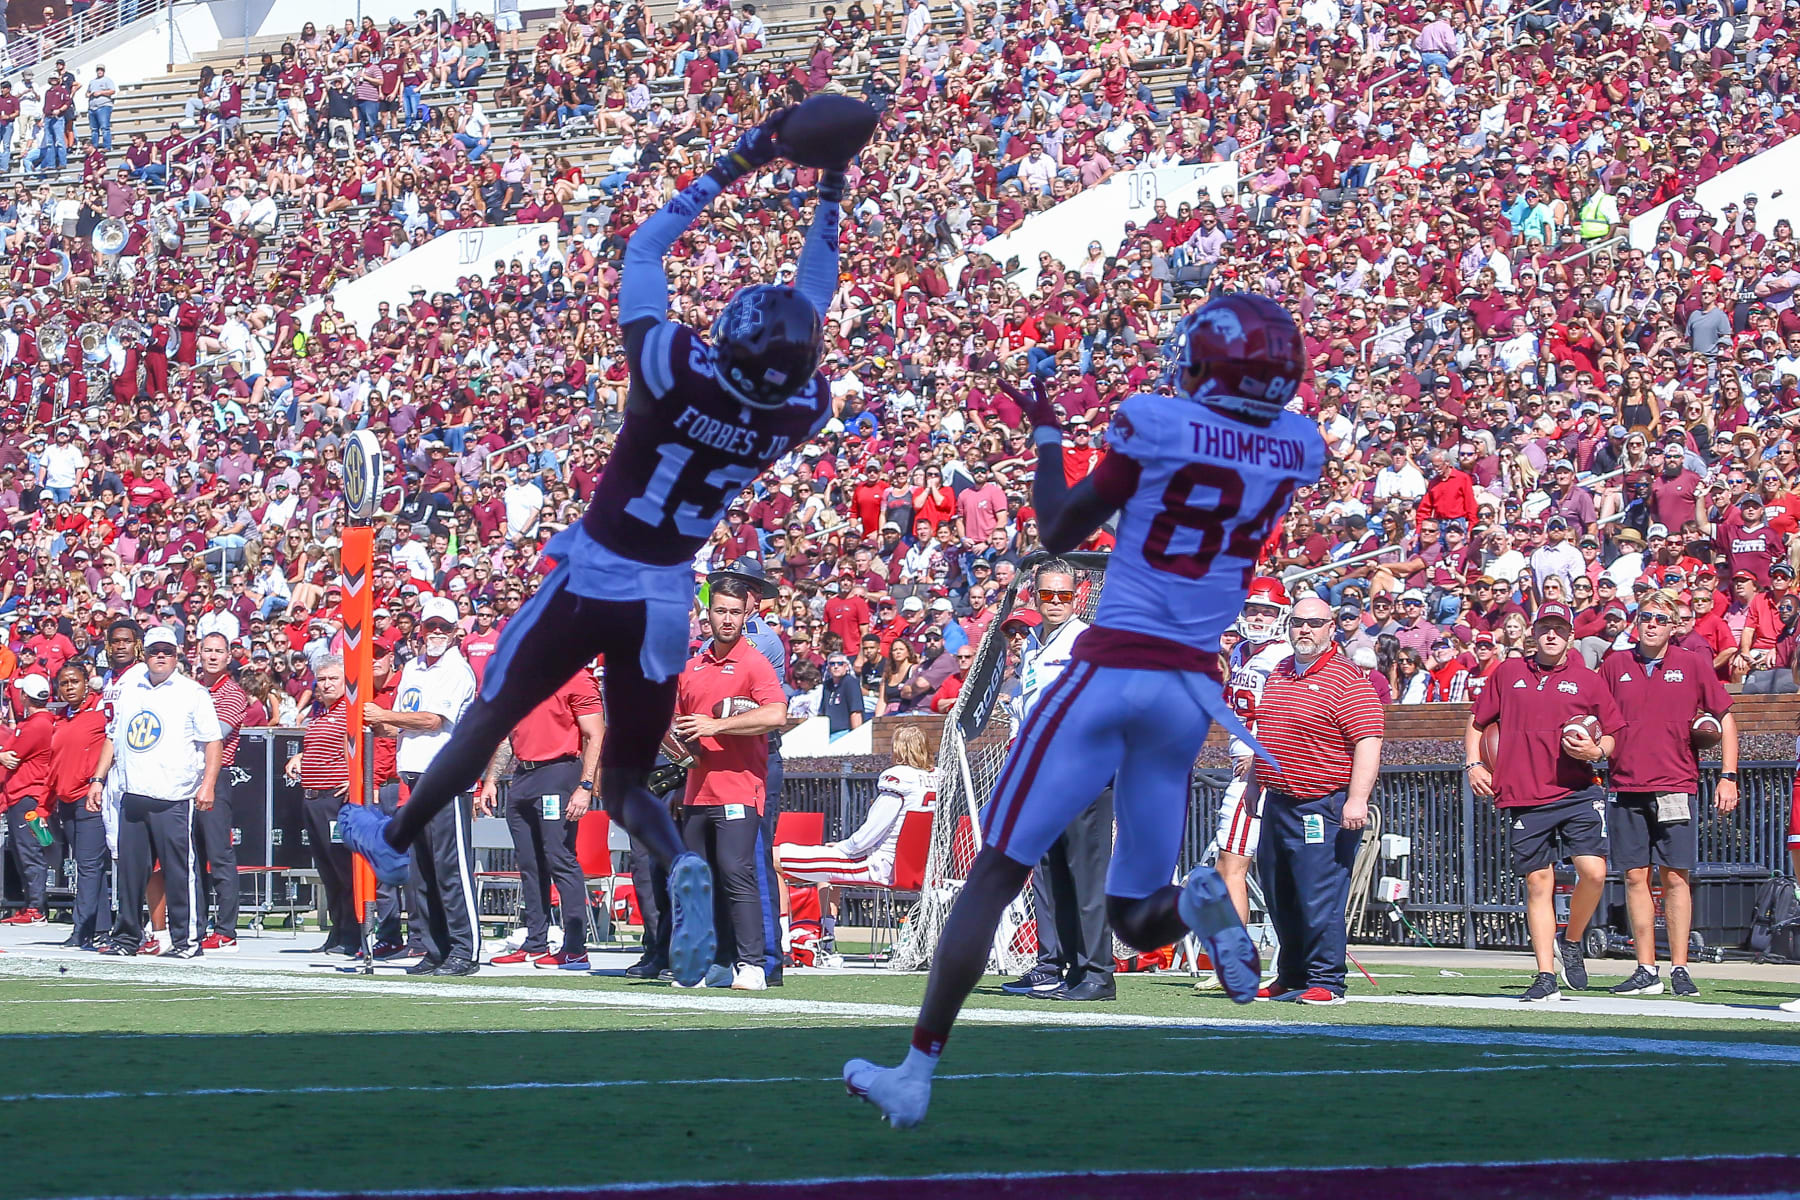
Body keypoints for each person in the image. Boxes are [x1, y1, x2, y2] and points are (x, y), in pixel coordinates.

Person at [339, 107, 844, 990]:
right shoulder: (799, 414)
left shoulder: (671, 368)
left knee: (489, 713)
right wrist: (831, 190)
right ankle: (673, 862)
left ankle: (396, 832)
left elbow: (645, 250)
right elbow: (815, 304)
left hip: (596, 573)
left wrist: (741, 158)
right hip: (665, 599)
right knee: (626, 784)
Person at [844, 294, 1324, 1127]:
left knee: (994, 870)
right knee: (1138, 919)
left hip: (1111, 671)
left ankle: (916, 1069)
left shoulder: (1160, 424)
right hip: (1188, 693)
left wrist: (1046, 433)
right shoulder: (1296, 447)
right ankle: (1200, 901)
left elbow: (1061, 523)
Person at [1465, 601, 1623, 1002]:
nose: (1551, 634)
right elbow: (1478, 722)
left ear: (1571, 635)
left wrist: (1595, 752)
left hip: (1577, 790)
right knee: (1539, 883)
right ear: (1533, 633)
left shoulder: (1588, 680)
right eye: (1545, 627)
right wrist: (1473, 765)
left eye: (1559, 628)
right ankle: (1544, 975)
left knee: (1594, 872)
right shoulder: (1509, 672)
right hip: (1524, 792)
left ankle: (1570, 940)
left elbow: (1613, 734)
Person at [1599, 589, 1737, 997]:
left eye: (1661, 618)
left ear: (1674, 625)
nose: (1652, 624)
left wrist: (1728, 775)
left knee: (1676, 877)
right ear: (1635, 623)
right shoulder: (1615, 664)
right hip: (1625, 785)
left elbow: (1726, 719)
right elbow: (1594, 719)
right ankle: (1646, 969)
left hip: (1676, 784)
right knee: (1635, 877)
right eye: (1645, 617)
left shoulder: (1693, 664)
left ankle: (1679, 967)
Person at [1248, 595, 1384, 1005]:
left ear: (1331, 629)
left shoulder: (1347, 678)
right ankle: (1291, 975)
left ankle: (1328, 978)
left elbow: (1369, 740)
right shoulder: (1281, 671)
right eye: (1297, 622)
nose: (1304, 630)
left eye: (1314, 623)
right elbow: (1267, 729)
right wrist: (1256, 780)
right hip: (1280, 799)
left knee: (1318, 892)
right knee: (1280, 891)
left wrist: (1357, 800)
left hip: (1321, 802)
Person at [996, 558, 1115, 1003]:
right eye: (1048, 595)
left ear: (1078, 597)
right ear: (1035, 596)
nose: (1056, 603)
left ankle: (1097, 973)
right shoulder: (1035, 644)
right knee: (1052, 874)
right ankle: (1062, 966)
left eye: (1064, 595)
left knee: (1086, 876)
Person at [671, 576, 789, 990]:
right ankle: (714, 962)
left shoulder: (754, 662)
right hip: (696, 789)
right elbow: (679, 726)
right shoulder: (692, 667)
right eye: (720, 610)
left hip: (740, 787)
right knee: (699, 881)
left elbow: (777, 715)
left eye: (734, 612)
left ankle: (752, 964)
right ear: (708, 614)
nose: (727, 619)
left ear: (746, 614)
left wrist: (717, 726)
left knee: (737, 873)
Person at [88, 627, 222, 958]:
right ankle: (127, 938)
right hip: (132, 794)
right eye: (153, 651)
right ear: (143, 653)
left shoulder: (193, 692)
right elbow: (112, 737)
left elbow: (213, 741)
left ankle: (186, 940)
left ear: (177, 655)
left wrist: (208, 783)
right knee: (131, 874)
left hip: (173, 796)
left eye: (167, 651)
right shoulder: (130, 689)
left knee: (179, 872)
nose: (160, 656)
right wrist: (98, 779)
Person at [365, 596, 480, 975]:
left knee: (451, 869)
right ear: (420, 628)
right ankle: (435, 947)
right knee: (423, 873)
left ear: (455, 633)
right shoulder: (413, 669)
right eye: (430, 625)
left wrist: (386, 715)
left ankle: (464, 949)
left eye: (443, 627)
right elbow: (401, 722)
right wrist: (379, 723)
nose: (435, 633)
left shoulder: (456, 670)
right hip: (413, 777)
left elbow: (432, 721)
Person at [1195, 576, 1293, 993]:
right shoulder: (1240, 651)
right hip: (1251, 767)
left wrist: (1260, 753)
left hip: (1262, 773)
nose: (1259, 617)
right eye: (1254, 610)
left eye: (1267, 611)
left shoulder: (1283, 657)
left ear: (1281, 616)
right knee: (1241, 867)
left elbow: (1288, 710)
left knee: (1232, 866)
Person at [481, 664, 604, 970]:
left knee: (559, 857)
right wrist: (491, 780)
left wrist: (585, 786)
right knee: (529, 863)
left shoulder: (576, 677)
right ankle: (535, 941)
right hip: (524, 775)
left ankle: (575, 947)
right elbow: (510, 735)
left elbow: (595, 733)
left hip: (558, 772)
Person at [774, 724, 934, 955]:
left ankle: (781, 944)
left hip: (878, 865)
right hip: (918, 869)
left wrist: (841, 846)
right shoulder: (936, 778)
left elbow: (869, 834)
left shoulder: (899, 778)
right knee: (826, 871)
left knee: (773, 858)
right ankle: (825, 940)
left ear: (899, 749)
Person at [284, 656, 361, 957]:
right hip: (313, 799)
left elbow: (358, 748)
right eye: (322, 679)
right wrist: (300, 757)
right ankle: (336, 930)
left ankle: (353, 933)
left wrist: (354, 779)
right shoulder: (320, 712)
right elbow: (318, 748)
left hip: (335, 801)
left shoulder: (349, 712)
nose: (327, 685)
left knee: (343, 868)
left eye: (333, 679)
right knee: (328, 870)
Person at [193, 633, 248, 951]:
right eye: (207, 651)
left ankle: (226, 930)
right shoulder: (192, 691)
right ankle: (195, 925)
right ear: (198, 654)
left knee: (219, 855)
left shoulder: (232, 692)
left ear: (229, 657)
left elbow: (215, 733)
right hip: (187, 776)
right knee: (192, 857)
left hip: (217, 776)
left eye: (219, 651)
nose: (212, 656)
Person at [49, 662, 110, 949]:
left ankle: (81, 929)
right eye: (64, 683)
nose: (70, 687)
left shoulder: (100, 713)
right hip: (66, 800)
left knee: (87, 866)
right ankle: (100, 928)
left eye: (74, 681)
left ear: (87, 682)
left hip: (90, 798)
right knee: (88, 868)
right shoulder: (61, 718)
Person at [0, 674, 55, 925]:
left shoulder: (35, 725)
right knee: (24, 851)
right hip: (24, 795)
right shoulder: (40, 722)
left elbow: (11, 754)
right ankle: (32, 905)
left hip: (26, 796)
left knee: (29, 852)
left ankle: (36, 909)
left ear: (25, 697)